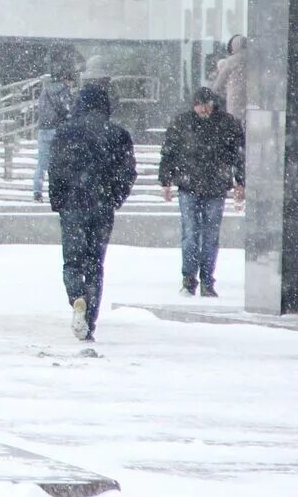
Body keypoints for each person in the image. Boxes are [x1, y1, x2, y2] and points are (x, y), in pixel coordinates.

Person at [47, 81, 137, 342]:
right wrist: (114, 198)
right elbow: (128, 172)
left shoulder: (65, 133)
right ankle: (90, 320)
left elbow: (55, 170)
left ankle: (77, 297)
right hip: (102, 207)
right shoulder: (118, 134)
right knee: (95, 265)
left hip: (73, 205)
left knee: (72, 261)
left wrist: (59, 201)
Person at [159, 86, 247, 297]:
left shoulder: (226, 124)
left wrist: (240, 182)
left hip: (211, 186)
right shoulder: (185, 123)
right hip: (193, 185)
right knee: (194, 234)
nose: (203, 110)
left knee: (206, 235)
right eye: (200, 106)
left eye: (206, 105)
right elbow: (169, 152)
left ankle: (205, 279)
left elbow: (238, 155)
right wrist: (166, 181)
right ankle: (191, 278)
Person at [32, 65, 76, 204]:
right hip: (57, 130)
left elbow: (40, 108)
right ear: (67, 80)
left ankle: (37, 192)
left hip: (43, 130)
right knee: (60, 163)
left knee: (42, 163)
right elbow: (68, 110)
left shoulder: (45, 91)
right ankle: (59, 192)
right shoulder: (64, 91)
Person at [211, 35, 247, 118]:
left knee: (234, 118)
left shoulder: (231, 60)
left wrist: (213, 91)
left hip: (235, 95)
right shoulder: (252, 59)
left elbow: (220, 80)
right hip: (248, 96)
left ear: (234, 46)